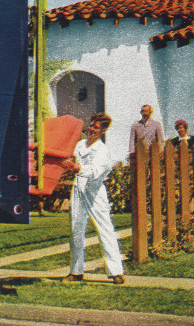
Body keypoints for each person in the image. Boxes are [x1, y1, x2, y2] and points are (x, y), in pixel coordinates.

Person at [62, 112, 126, 284]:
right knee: (76, 230)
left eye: (96, 128)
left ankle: (116, 272)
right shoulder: (80, 145)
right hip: (78, 189)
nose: (92, 129)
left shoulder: (103, 151)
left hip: (95, 191)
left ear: (103, 131)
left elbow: (95, 172)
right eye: (91, 125)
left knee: (105, 229)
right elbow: (71, 157)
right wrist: (68, 164)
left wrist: (77, 167)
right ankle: (76, 272)